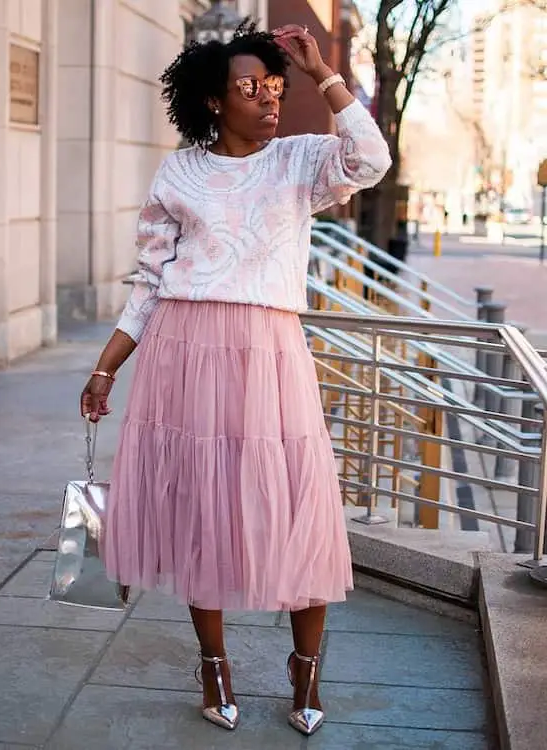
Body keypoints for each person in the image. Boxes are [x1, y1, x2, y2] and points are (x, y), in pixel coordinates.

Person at [80, 21, 391, 736]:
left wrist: (322, 75)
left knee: (296, 506)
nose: (269, 100)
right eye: (252, 88)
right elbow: (149, 284)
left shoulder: (301, 162)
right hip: (183, 354)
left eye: (275, 87)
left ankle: (305, 669)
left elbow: (371, 159)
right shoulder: (178, 173)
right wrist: (105, 368)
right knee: (201, 514)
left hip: (270, 354)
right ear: (214, 101)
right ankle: (213, 663)